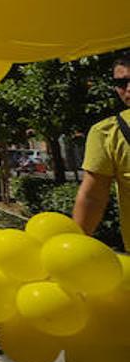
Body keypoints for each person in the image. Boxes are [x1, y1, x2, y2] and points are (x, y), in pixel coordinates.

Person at [73, 53, 130, 250]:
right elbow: (93, 197)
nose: (129, 88)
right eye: (121, 82)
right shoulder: (107, 132)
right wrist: (74, 251)